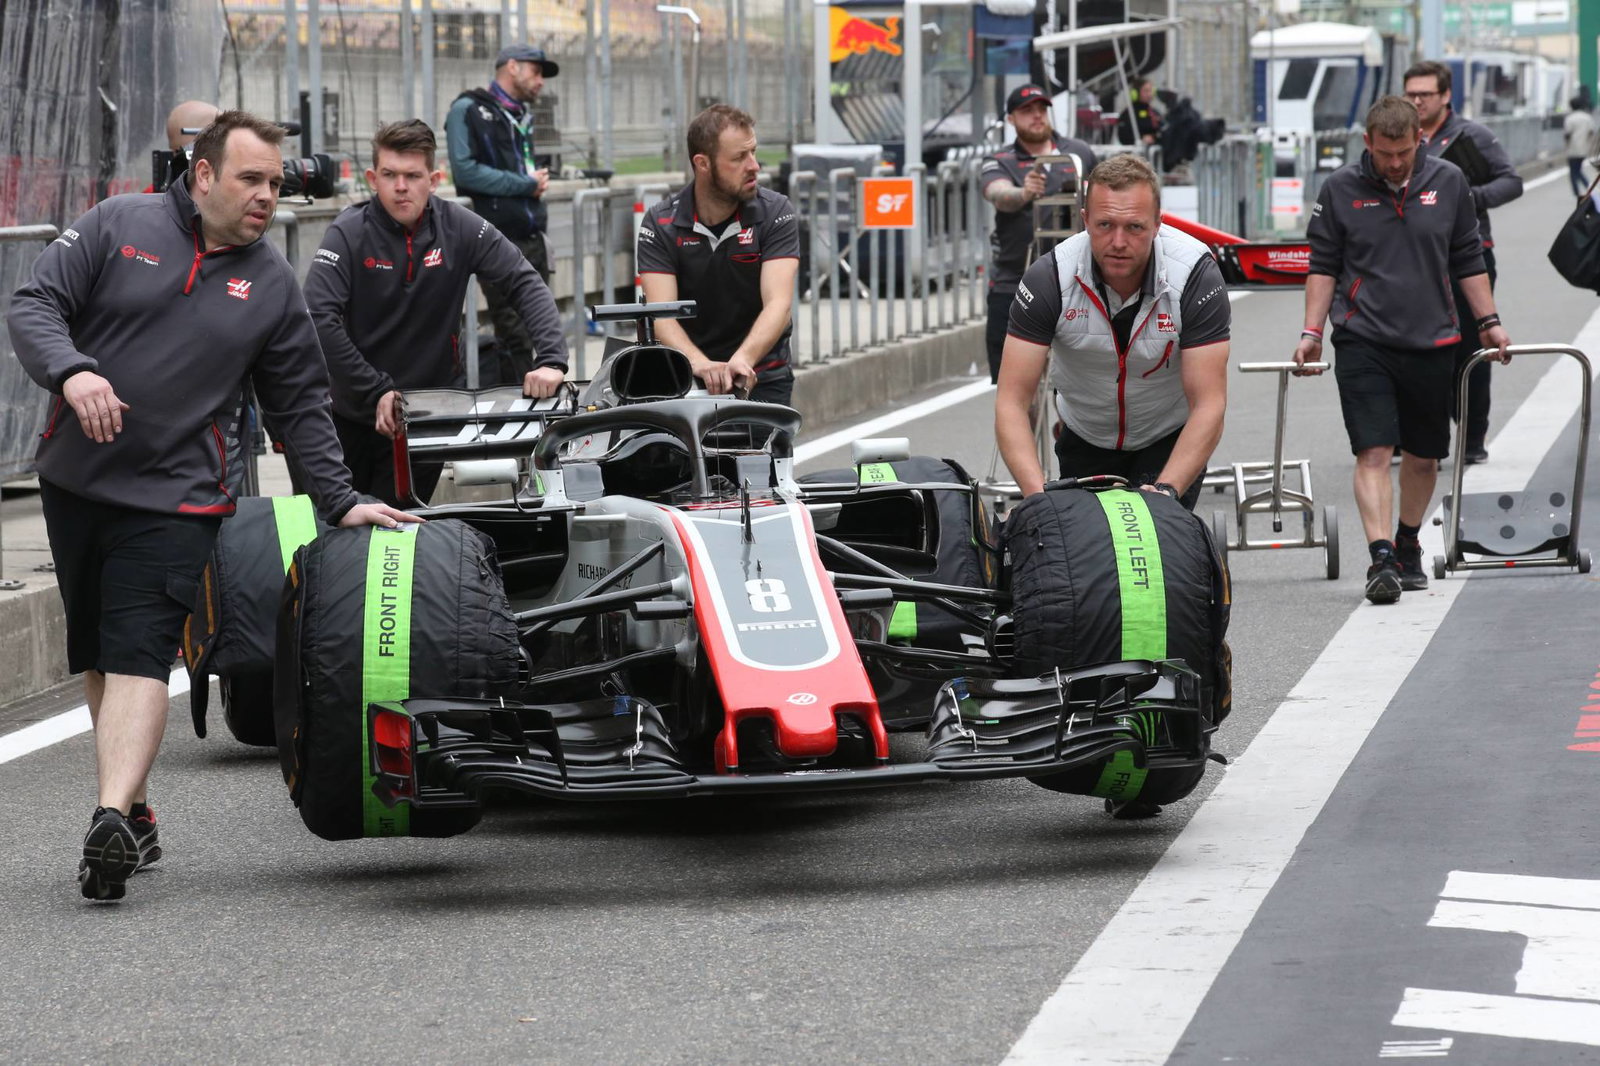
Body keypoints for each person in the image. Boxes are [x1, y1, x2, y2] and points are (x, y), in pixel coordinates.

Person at [6, 110, 418, 902]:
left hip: (180, 498)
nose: (268, 195)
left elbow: (300, 406)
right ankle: (133, 807)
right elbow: (34, 306)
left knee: (137, 647)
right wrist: (72, 371)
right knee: (99, 651)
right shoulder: (118, 224)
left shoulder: (270, 288)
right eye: (250, 179)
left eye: (275, 182)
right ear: (202, 176)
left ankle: (105, 823)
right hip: (75, 481)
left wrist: (339, 502)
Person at [1294, 95, 1511, 605]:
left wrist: (1490, 322)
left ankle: (1410, 540)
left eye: (1404, 153)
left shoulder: (1449, 183)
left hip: (1432, 338)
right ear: (1367, 143)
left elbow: (1467, 257)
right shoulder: (1341, 189)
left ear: (1421, 142)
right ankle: (1382, 557)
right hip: (1362, 337)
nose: (1394, 163)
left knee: (1423, 454)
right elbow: (1323, 265)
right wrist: (1311, 331)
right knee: (1372, 450)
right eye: (1385, 153)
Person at [305, 119, 568, 507]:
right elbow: (317, 316)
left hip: (428, 416)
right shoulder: (347, 232)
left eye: (413, 176)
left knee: (399, 533)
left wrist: (552, 360)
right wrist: (376, 389)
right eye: (390, 175)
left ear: (435, 178)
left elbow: (524, 282)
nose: (400, 187)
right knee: (338, 532)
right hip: (352, 414)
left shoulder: (461, 228)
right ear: (371, 178)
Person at [995, 153, 1230, 510]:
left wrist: (1168, 489)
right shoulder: (1050, 277)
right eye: (1105, 225)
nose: (1118, 242)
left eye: (1134, 227)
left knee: (1162, 552)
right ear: (1085, 220)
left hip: (1166, 436)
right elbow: (1011, 401)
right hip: (1086, 436)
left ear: (1157, 224)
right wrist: (1036, 498)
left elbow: (1209, 403)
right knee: (1090, 558)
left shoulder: (1195, 274)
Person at [636, 105, 801, 404]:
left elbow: (779, 303)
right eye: (739, 157)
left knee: (761, 452)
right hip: (686, 376)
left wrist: (743, 359)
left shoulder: (776, 212)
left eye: (753, 152)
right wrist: (699, 364)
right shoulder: (660, 223)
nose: (754, 166)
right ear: (703, 163)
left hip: (761, 374)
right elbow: (661, 313)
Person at [1405, 60, 1523, 466]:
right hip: (1412, 261)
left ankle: (1472, 437)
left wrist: (1467, 196)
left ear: (1445, 96)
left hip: (1467, 256)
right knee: (1414, 349)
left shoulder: (1473, 135)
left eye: (1425, 94)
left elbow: (1511, 181)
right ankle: (1419, 438)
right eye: (1411, 94)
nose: (1417, 101)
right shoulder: (1401, 137)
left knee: (1472, 348)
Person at [445, 43, 560, 386]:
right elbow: (465, 172)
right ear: (512, 66)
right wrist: (524, 184)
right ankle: (523, 416)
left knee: (541, 330)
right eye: (536, 71)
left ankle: (537, 407)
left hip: (533, 236)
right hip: (496, 241)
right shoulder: (468, 109)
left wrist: (531, 184)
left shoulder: (521, 114)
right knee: (516, 335)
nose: (540, 81)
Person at [980, 84, 1098, 385]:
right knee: (1015, 383)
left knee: (1082, 380)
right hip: (1016, 277)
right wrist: (1023, 193)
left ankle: (1070, 426)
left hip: (1076, 280)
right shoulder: (1000, 160)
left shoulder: (1079, 152)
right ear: (1011, 119)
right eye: (1026, 111)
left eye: (1041, 109)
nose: (1036, 116)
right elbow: (996, 192)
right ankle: (1025, 426)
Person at [1564, 95, 1596, 198]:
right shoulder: (1587, 117)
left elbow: (1567, 134)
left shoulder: (1570, 118)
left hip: (1573, 149)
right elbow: (1591, 132)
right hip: (1584, 149)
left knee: (1574, 172)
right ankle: (1588, 188)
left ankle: (1579, 192)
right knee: (1578, 170)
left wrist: (1566, 146)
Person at [1117, 78, 1162, 148]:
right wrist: (1141, 139)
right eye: (1146, 91)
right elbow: (1123, 136)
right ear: (1135, 93)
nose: (1149, 94)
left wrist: (1154, 137)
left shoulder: (1155, 112)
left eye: (1151, 90)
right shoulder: (1129, 113)